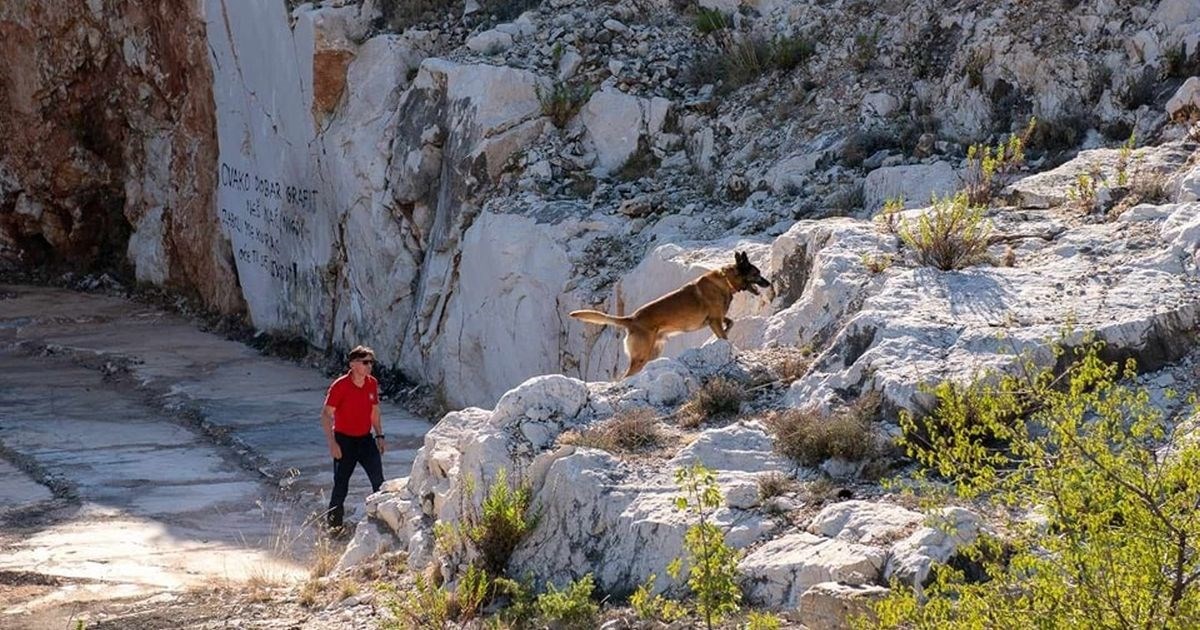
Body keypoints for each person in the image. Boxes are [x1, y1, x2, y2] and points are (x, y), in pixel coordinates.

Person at [320, 345, 385, 530]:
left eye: (371, 362)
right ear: (353, 364)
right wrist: (332, 443)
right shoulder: (340, 386)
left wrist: (379, 435)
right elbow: (326, 414)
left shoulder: (372, 383)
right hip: (344, 441)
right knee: (341, 485)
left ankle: (382, 521)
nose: (369, 366)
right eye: (365, 362)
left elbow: (374, 411)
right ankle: (334, 527)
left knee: (379, 481)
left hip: (365, 440)